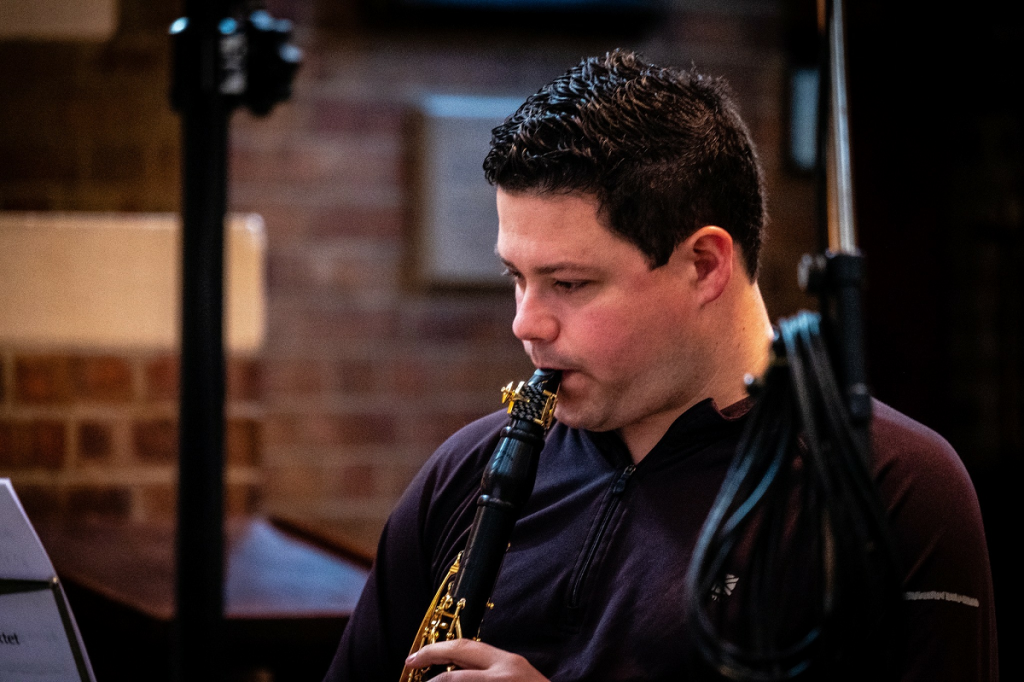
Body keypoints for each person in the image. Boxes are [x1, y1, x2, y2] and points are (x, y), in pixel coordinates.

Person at [323, 49, 997, 681]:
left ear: (704, 265)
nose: (525, 323)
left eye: (570, 283)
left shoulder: (895, 485)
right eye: (516, 277)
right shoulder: (466, 471)